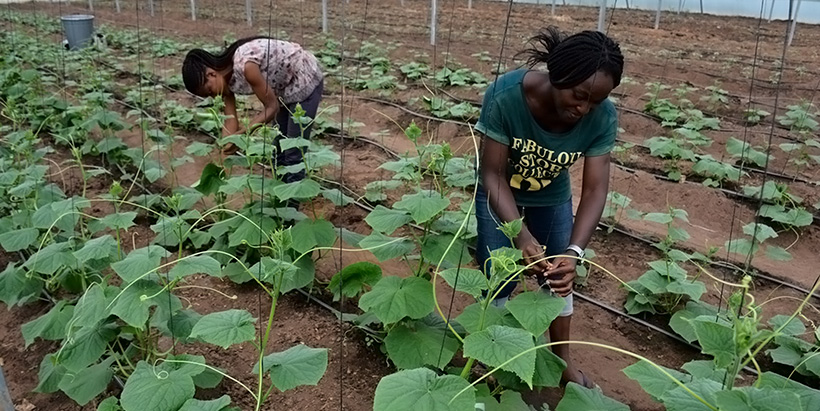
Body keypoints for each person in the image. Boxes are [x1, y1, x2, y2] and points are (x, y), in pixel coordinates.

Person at [474, 26, 623, 389]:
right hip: (500, 194)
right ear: (558, 76)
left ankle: (561, 361)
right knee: (498, 275)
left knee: (557, 279)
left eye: (596, 101)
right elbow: (492, 175)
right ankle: (490, 356)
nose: (583, 108)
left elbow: (595, 189)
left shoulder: (601, 118)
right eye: (578, 96)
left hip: (552, 196)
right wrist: (521, 237)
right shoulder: (506, 96)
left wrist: (573, 252)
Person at [181, 36, 324, 183]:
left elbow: (272, 107)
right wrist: (224, 158)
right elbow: (229, 124)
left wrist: (243, 135)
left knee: (293, 152)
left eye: (209, 91)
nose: (213, 96)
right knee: (278, 151)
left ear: (211, 73)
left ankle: (292, 204)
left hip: (304, 78)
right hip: (284, 87)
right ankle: (281, 197)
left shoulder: (245, 66)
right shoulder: (225, 84)